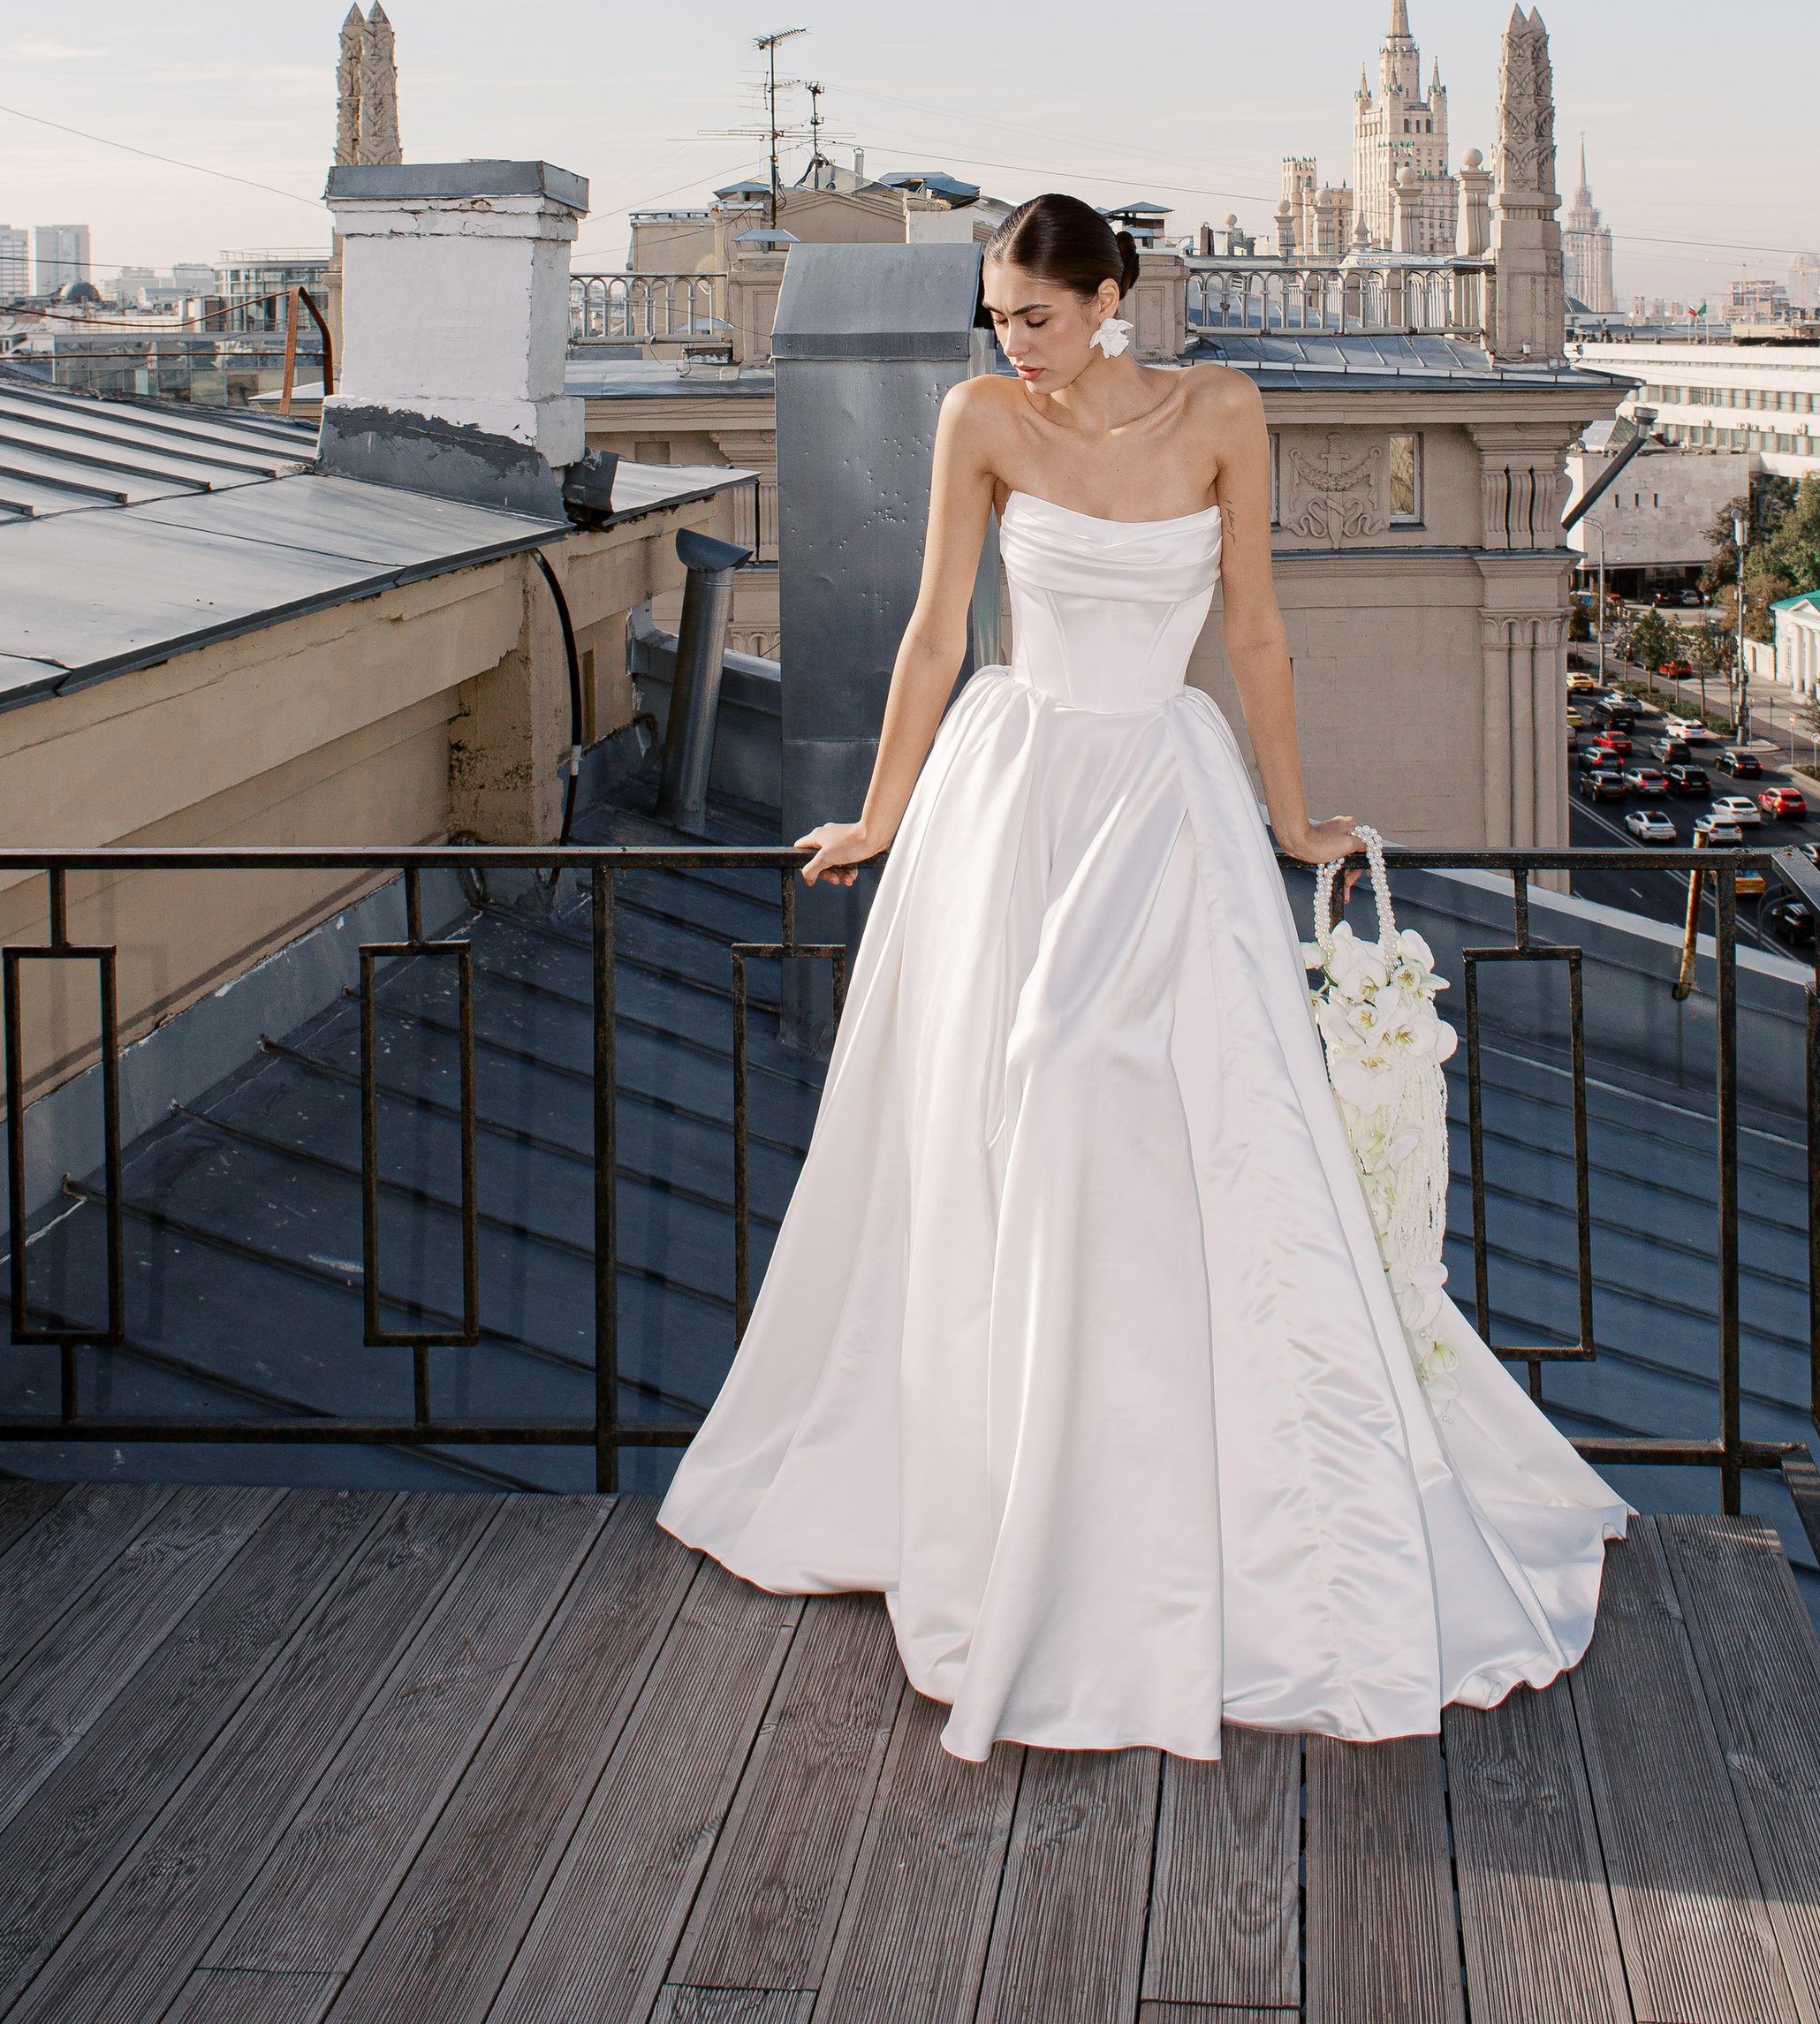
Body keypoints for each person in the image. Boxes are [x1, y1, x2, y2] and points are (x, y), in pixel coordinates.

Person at [659, 192, 1623, 1762]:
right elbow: (928, 637)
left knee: (1116, 1085)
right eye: (997, 318)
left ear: (1112, 297)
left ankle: (1148, 1510)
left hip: (1164, 799)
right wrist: (886, 812)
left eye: (1034, 316)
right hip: (1019, 782)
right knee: (1017, 1094)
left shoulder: (1223, 410)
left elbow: (1254, 634)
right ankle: (1020, 1484)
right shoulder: (982, 417)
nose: (1011, 344)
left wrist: (1290, 815)